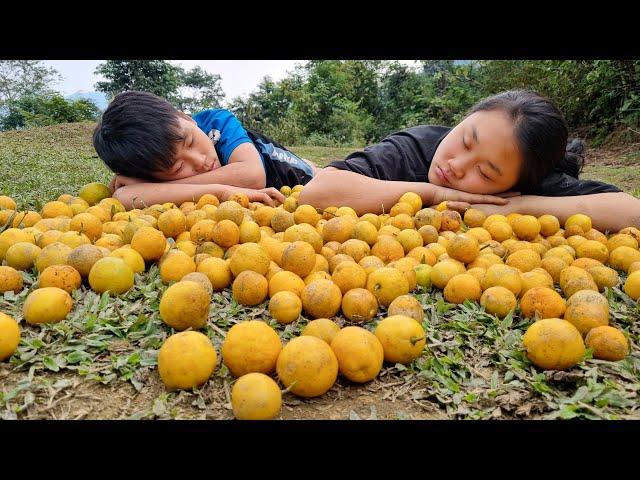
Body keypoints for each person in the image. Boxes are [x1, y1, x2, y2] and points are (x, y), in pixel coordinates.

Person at [299, 90, 640, 232]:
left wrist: (518, 207)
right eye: (465, 139)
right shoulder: (416, 147)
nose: (457, 164)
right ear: (463, 120)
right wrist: (436, 195)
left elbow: (631, 211)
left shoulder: (530, 181)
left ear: (514, 183)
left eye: (485, 172)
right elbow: (317, 192)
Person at [92, 90, 316, 209]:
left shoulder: (217, 121)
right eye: (178, 167)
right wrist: (219, 191)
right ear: (149, 174)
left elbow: (252, 176)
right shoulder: (152, 166)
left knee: (317, 171)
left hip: (300, 174)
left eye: (189, 141)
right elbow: (124, 197)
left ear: (184, 117)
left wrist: (162, 187)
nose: (199, 161)